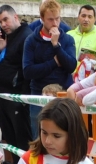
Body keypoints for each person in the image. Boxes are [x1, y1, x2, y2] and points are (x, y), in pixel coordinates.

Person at [23, 0, 76, 140]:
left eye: (57, 19)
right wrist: (53, 63)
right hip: (39, 94)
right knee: (39, 138)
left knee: (65, 137)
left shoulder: (67, 39)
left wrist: (56, 45)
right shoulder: (31, 40)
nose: (55, 23)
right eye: (50, 19)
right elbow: (28, 71)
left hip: (63, 93)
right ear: (42, 19)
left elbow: (71, 66)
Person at [0, 5, 32, 151]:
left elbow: (26, 70)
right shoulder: (5, 37)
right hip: (4, 95)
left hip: (18, 97)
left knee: (21, 139)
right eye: (0, 22)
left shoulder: (26, 36)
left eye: (6, 20)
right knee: (10, 138)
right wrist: (0, 49)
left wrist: (23, 100)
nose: (3, 24)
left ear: (15, 17)